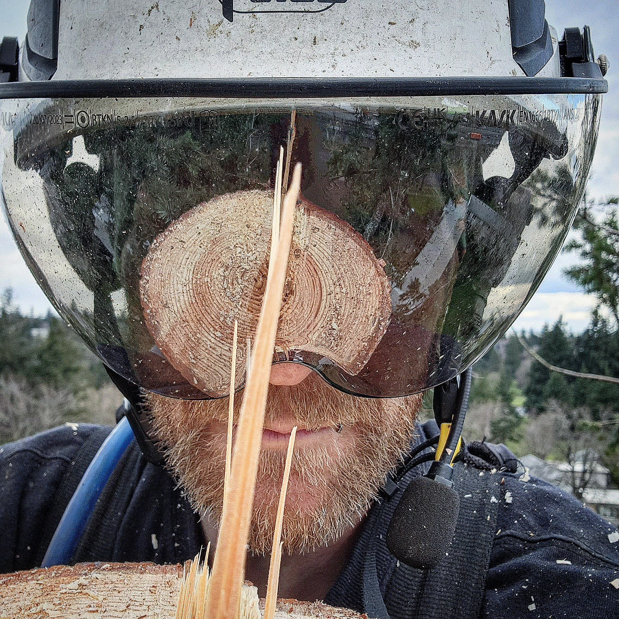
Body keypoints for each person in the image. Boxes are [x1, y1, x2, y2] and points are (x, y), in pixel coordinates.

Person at [0, 0, 618, 617]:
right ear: (105, 261)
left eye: (384, 253)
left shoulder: (556, 584)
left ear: (470, 269)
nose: (284, 368)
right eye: (216, 274)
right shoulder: (29, 513)